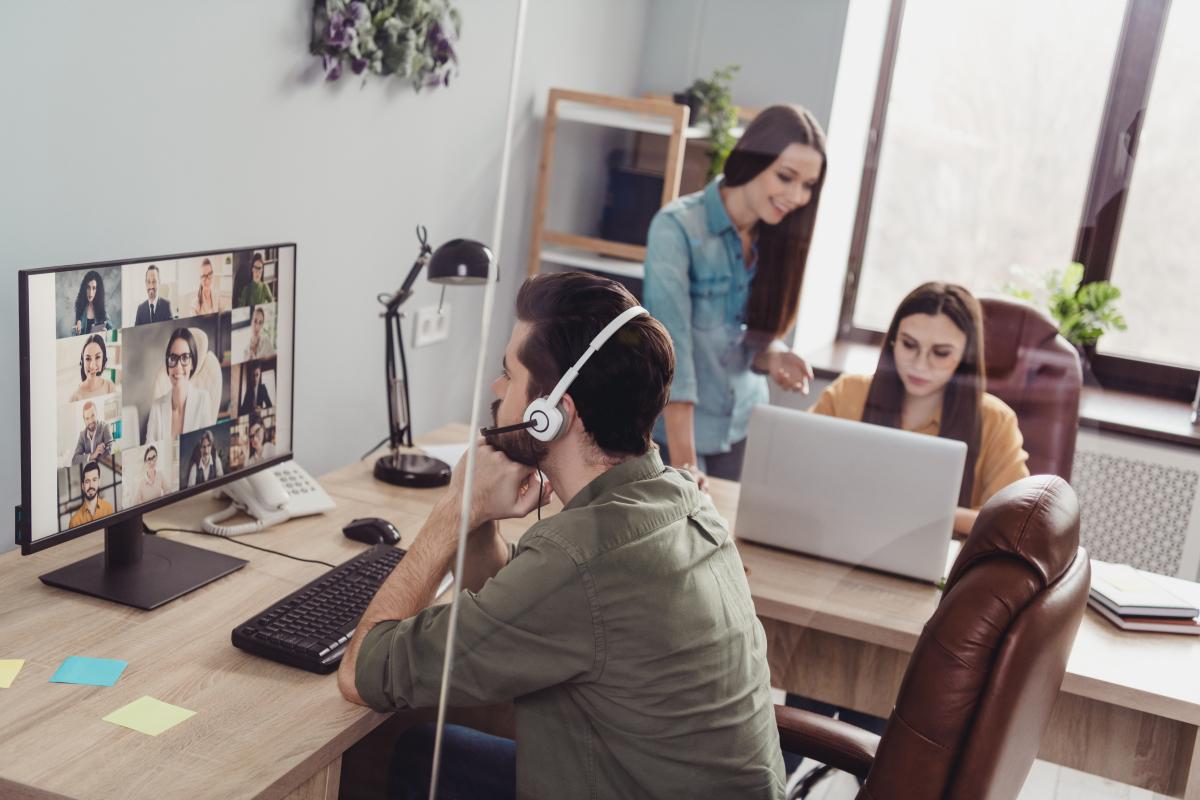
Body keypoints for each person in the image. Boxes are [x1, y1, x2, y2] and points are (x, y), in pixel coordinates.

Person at [337, 272, 785, 799]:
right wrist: (480, 516)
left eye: (509, 374)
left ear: (552, 415)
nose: (496, 389)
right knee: (427, 749)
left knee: (401, 754)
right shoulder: (682, 500)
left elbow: (363, 670)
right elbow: (514, 617)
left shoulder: (582, 558)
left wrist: (449, 511)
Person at [784, 282, 1032, 768]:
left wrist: (927, 513)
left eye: (941, 353)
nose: (920, 365)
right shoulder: (850, 394)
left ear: (965, 355)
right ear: (892, 339)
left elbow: (1017, 519)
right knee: (794, 731)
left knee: (888, 757)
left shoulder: (993, 421)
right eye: (909, 345)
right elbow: (796, 475)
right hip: (834, 584)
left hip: (926, 607)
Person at [643, 105, 827, 489]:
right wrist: (686, 465)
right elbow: (672, 352)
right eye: (786, 177)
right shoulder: (677, 228)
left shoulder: (777, 236)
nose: (796, 196)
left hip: (745, 426)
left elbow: (748, 334)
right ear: (751, 158)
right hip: (678, 435)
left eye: (808, 185)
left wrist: (774, 354)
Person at [145, 328, 213, 444]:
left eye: (185, 358)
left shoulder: (203, 399)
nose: (178, 367)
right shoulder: (157, 407)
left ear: (192, 363)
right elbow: (149, 450)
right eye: (173, 358)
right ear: (167, 363)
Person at [69, 334, 117, 401]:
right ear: (82, 362)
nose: (92, 366)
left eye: (97, 357)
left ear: (103, 360)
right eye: (88, 359)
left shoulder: (110, 387)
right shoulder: (75, 397)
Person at [68, 461, 114, 528]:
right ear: (83, 486)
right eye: (87, 481)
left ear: (99, 482)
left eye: (94, 480)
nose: (91, 485)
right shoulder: (74, 521)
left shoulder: (108, 508)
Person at [70, 400, 113, 465]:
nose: (90, 421)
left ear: (97, 414)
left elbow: (109, 453)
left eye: (92, 416)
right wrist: (93, 455)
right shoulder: (82, 435)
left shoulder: (105, 427)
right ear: (84, 420)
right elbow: (74, 460)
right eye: (87, 418)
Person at [72, 270, 112, 334]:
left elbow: (111, 331)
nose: (90, 293)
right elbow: (73, 334)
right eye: (88, 287)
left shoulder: (102, 309)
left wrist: (106, 333)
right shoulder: (80, 308)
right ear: (84, 288)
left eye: (94, 288)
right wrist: (77, 332)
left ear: (98, 290)